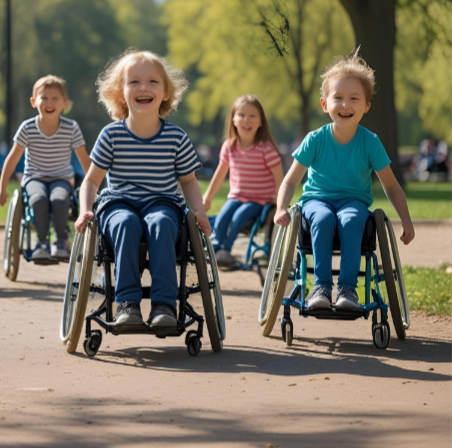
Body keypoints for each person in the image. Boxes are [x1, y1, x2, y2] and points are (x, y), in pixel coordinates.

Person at [75, 49, 210, 328]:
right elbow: (90, 181)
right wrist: (85, 210)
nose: (143, 87)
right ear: (120, 92)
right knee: (125, 223)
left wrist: (200, 213)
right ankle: (128, 304)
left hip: (162, 203)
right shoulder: (111, 135)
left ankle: (164, 305)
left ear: (165, 93)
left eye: (152, 82)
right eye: (134, 82)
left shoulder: (176, 137)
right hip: (118, 203)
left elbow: (188, 182)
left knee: (161, 222)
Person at [274, 48, 415, 311]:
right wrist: (281, 207)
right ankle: (322, 287)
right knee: (323, 217)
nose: (345, 105)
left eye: (354, 98)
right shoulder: (315, 140)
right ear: (324, 104)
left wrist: (406, 221)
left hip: (354, 201)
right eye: (337, 97)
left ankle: (348, 289)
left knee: (350, 219)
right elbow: (290, 181)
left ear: (366, 106)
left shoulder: (370, 142)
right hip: (317, 200)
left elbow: (392, 186)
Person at [0, 75, 91, 261]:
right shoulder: (27, 128)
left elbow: (84, 160)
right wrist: (2, 187)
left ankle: (61, 241)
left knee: (60, 199)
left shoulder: (72, 128)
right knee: (38, 199)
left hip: (62, 178)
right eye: (44, 98)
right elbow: (12, 158)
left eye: (55, 98)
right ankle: (41, 243)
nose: (49, 103)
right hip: (34, 177)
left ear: (65, 103)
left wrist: (94, 187)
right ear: (34, 101)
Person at [203, 95, 283, 266]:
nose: (246, 120)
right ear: (233, 120)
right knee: (224, 215)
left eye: (252, 116)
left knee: (239, 216)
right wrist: (207, 198)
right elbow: (220, 173)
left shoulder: (265, 148)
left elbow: (279, 177)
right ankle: (216, 247)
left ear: (261, 121)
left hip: (259, 200)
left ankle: (226, 249)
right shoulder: (230, 146)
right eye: (241, 115)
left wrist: (280, 202)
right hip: (237, 196)